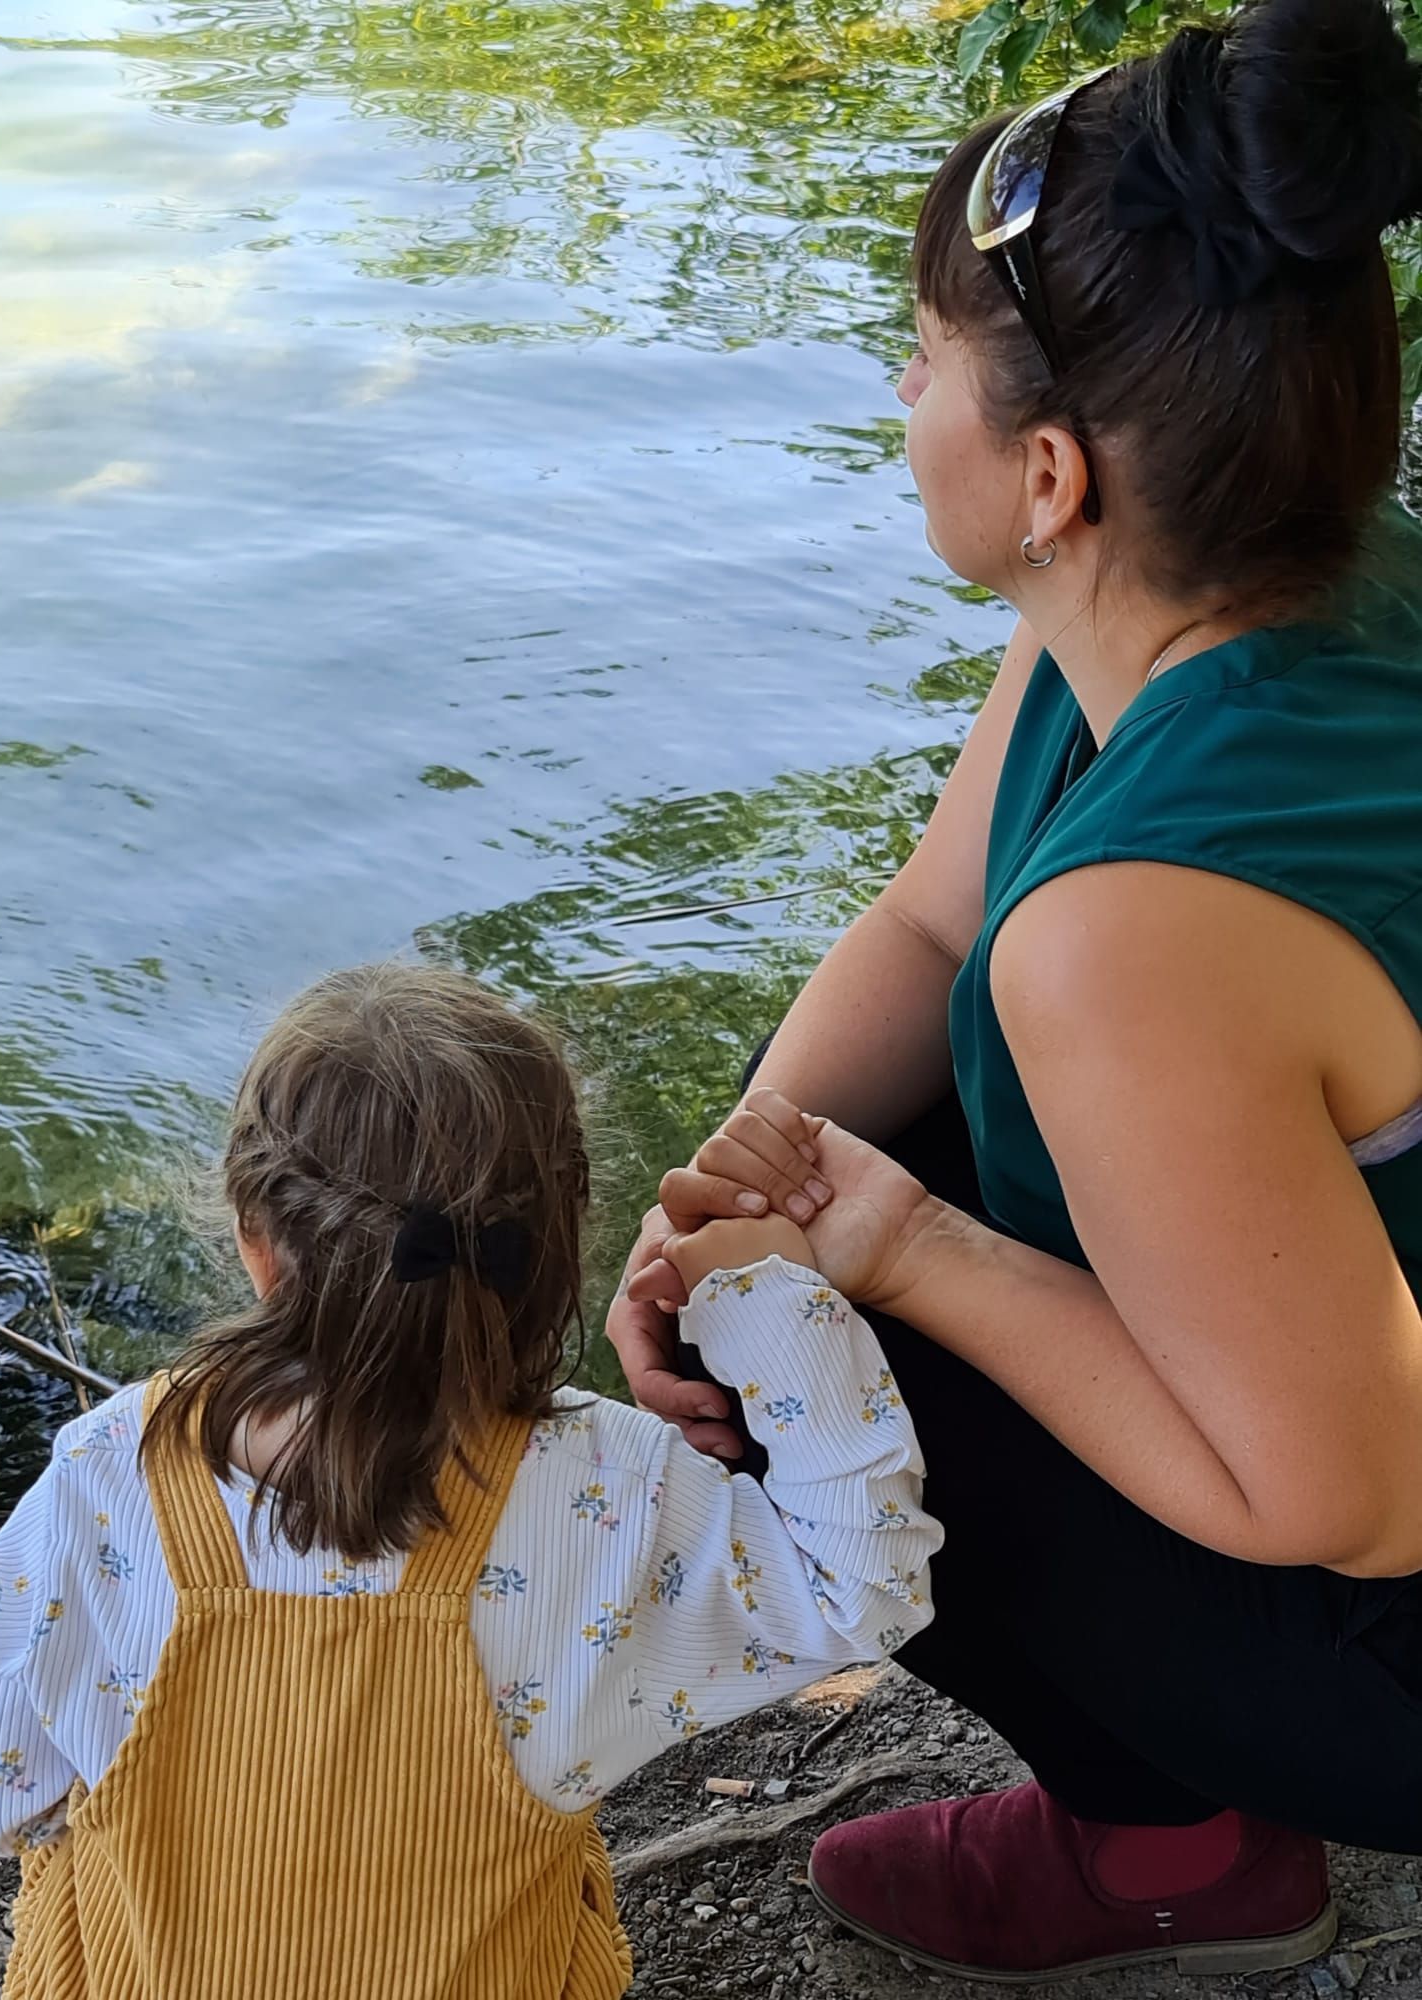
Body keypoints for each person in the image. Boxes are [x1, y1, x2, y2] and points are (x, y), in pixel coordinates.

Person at [612, 0, 1422, 1982]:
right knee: (803, 1181)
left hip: (1391, 1588)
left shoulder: (1139, 930)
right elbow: (927, 923)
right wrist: (727, 1181)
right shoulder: (1263, 589)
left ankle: (1179, 1851)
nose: (902, 387)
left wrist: (892, 1251)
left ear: (1047, 472)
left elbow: (1356, 1498)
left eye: (926, 354)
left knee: (797, 1356)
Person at [0, 963, 940, 2000]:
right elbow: (864, 1585)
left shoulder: (110, 1468)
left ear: (256, 1241)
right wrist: (764, 1293)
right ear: (558, 1241)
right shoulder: (617, 1490)